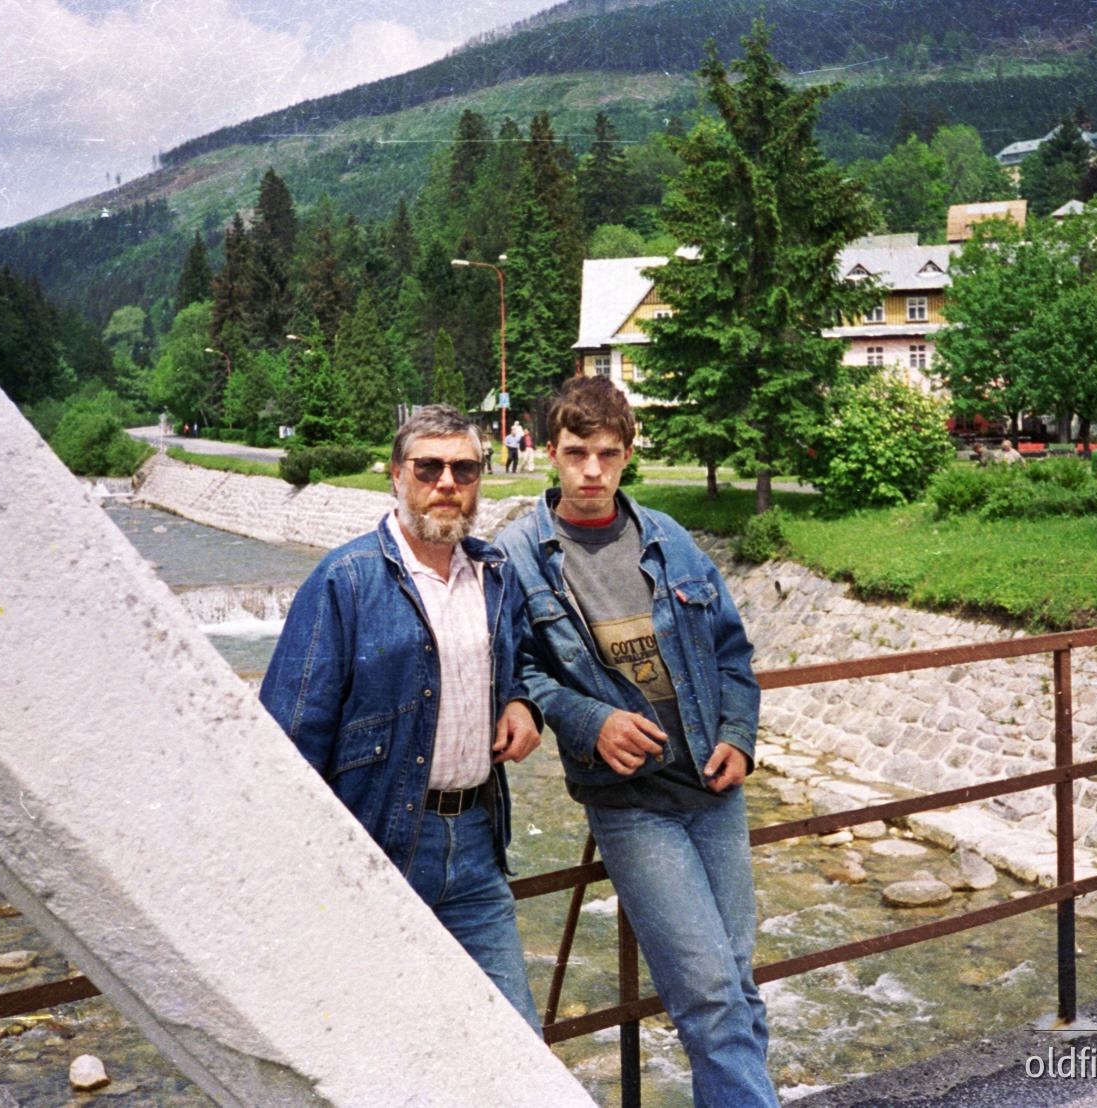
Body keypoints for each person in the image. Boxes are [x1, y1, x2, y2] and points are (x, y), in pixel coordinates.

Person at [497, 377, 775, 1105]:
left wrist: (739, 739)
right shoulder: (519, 555)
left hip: (714, 789)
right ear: (548, 453)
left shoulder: (669, 539)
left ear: (629, 455)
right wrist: (589, 721)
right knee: (711, 995)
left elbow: (731, 654)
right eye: (576, 453)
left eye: (608, 454)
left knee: (737, 984)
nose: (592, 471)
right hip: (631, 804)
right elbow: (517, 671)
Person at [260, 404, 543, 1029]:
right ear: (396, 475)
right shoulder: (345, 579)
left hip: (475, 843)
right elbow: (287, 739)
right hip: (379, 848)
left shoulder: (495, 574)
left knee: (515, 1041)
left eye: (464, 469)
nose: (447, 483)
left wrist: (524, 704)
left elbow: (522, 659)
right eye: (429, 467)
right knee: (381, 1040)